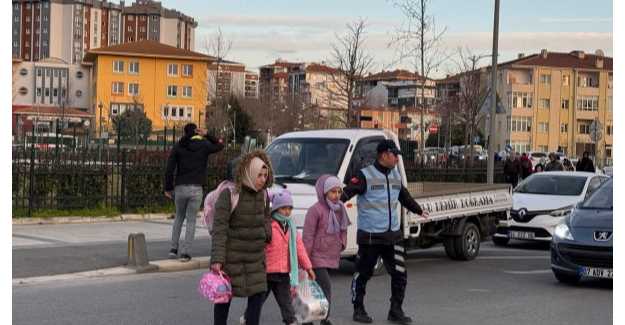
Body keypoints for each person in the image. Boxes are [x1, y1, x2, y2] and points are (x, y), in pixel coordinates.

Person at [341, 139, 429, 325]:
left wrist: (419, 210)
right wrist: (331, 204)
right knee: (363, 274)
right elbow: (345, 194)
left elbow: (404, 196)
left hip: (393, 236)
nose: (397, 158)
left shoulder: (395, 174)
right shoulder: (365, 175)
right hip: (371, 237)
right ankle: (358, 309)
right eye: (394, 154)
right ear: (383, 155)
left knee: (400, 273)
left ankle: (395, 310)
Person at [210, 150, 273, 325]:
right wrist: (217, 259)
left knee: (258, 293)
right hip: (232, 257)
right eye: (259, 175)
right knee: (224, 295)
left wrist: (267, 233)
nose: (262, 179)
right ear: (248, 173)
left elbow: (267, 216)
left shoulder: (264, 195)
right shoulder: (229, 194)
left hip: (255, 257)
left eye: (265, 175)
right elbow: (220, 228)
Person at [164, 123, 224, 262]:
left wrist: (168, 188)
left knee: (179, 217)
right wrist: (207, 134)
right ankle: (186, 253)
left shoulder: (179, 146)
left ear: (184, 132)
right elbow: (220, 145)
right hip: (196, 188)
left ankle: (173, 249)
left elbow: (170, 168)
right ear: (197, 132)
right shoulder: (204, 145)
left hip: (180, 187)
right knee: (191, 220)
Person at [262, 189, 316, 325]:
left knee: (286, 303)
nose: (287, 211)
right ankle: (247, 318)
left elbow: (299, 247)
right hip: (267, 272)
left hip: (284, 272)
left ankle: (290, 321)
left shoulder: (291, 225)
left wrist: (308, 267)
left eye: (289, 208)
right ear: (275, 209)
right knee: (258, 301)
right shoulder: (269, 225)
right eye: (283, 208)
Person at [302, 175, 351, 325]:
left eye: (339, 191)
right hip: (316, 257)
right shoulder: (315, 210)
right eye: (333, 192)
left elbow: (343, 229)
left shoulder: (341, 208)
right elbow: (308, 236)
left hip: (331, 254)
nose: (337, 195)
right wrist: (306, 261)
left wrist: (342, 243)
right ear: (324, 193)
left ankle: (312, 318)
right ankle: (323, 318)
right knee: (325, 287)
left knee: (316, 290)